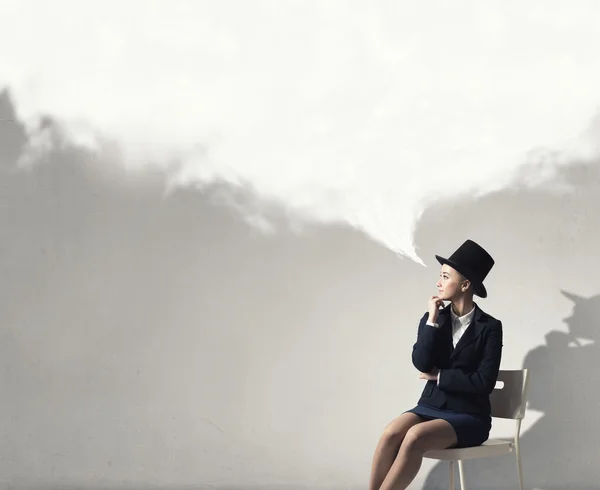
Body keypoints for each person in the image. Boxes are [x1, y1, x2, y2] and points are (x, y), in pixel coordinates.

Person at [369, 239, 503, 490]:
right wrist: (431, 320)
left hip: (469, 416)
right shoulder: (433, 319)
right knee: (390, 434)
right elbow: (421, 363)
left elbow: (484, 383)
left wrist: (440, 376)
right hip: (430, 406)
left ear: (465, 284)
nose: (438, 283)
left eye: (444, 276)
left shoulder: (491, 328)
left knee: (414, 437)